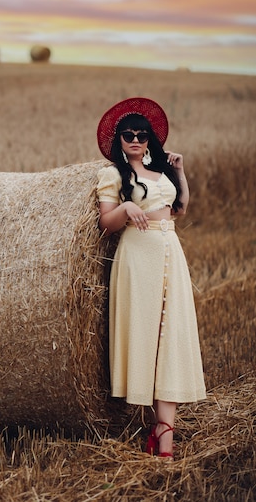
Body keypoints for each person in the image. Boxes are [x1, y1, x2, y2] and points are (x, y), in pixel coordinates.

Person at [96, 97, 206, 459]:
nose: (135, 140)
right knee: (147, 335)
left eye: (142, 135)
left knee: (170, 335)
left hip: (169, 249)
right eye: (128, 134)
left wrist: (181, 171)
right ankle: (161, 435)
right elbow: (105, 223)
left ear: (150, 139)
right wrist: (126, 207)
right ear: (119, 139)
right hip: (137, 255)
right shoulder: (113, 174)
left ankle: (164, 434)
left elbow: (180, 208)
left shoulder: (161, 169)